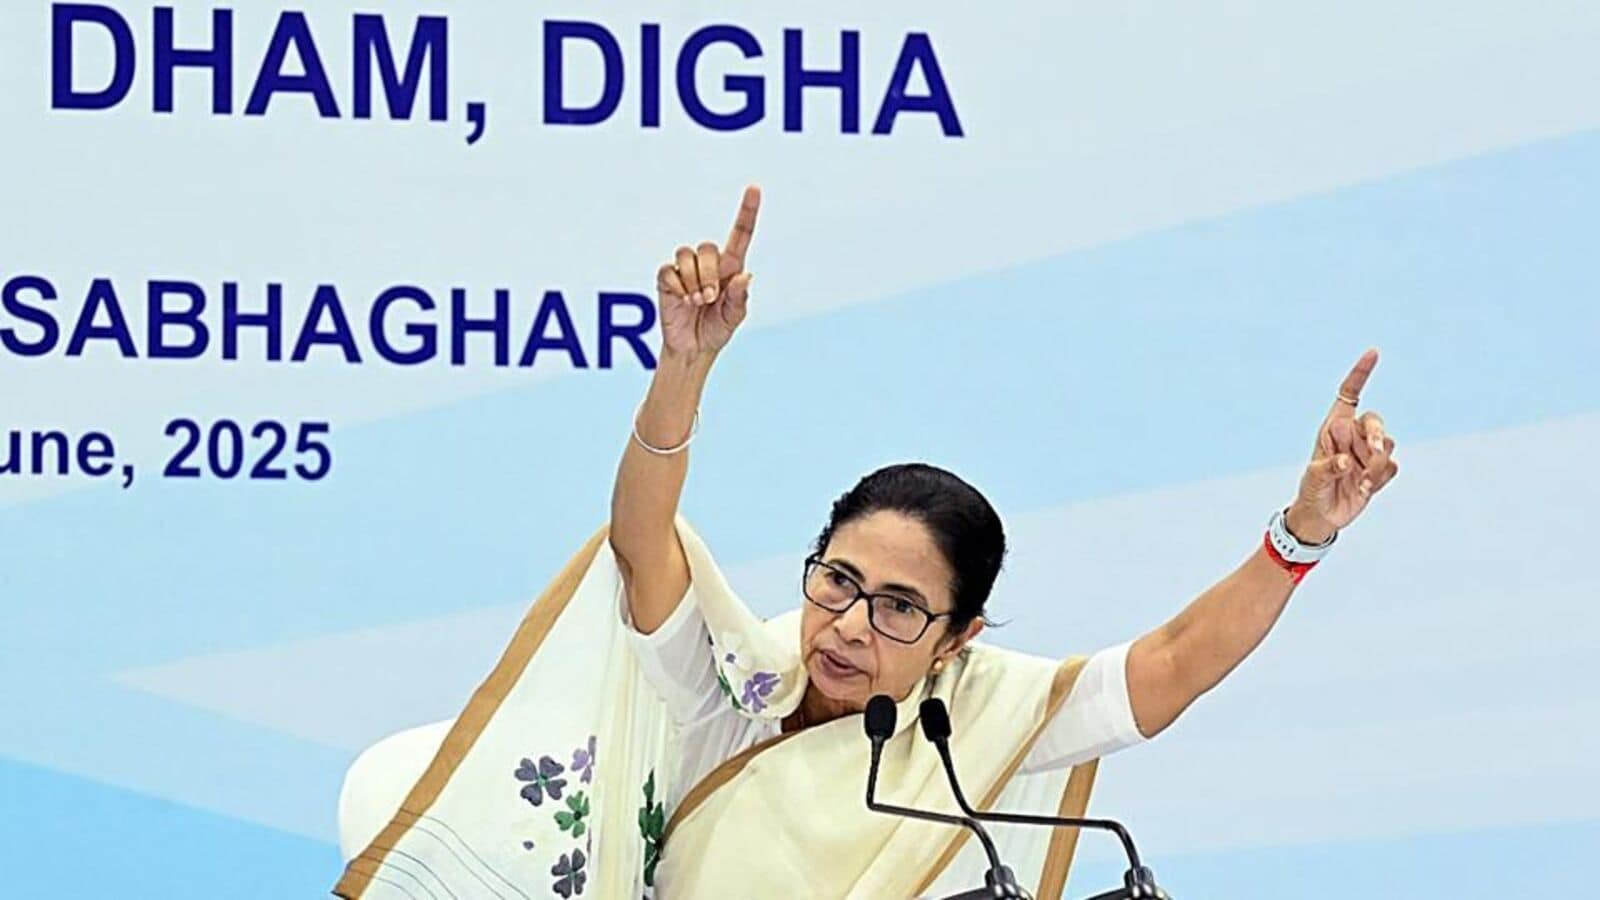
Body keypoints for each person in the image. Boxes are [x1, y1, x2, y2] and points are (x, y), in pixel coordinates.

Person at [334, 185, 1400, 900]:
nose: (847, 625)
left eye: (897, 607)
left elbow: (1170, 665)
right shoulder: (730, 683)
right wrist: (683, 368)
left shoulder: (975, 720)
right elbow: (641, 538)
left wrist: (1302, 534)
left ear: (958, 636)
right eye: (837, 581)